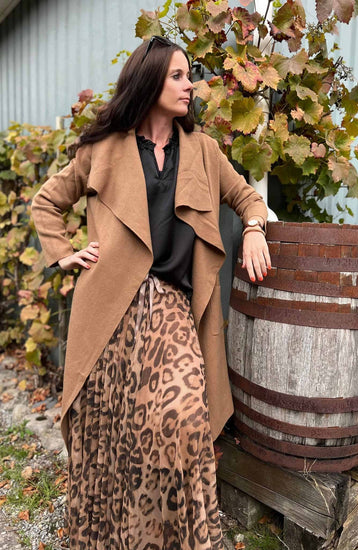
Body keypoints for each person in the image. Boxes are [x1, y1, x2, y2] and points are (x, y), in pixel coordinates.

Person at [32, 35, 271, 550]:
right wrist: (64, 253)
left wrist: (254, 229)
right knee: (107, 432)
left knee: (184, 422)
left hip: (171, 306)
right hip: (108, 306)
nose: (190, 86)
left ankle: (184, 539)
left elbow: (247, 197)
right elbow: (46, 203)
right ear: (149, 82)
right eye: (177, 76)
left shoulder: (203, 151)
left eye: (189, 76)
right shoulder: (103, 149)